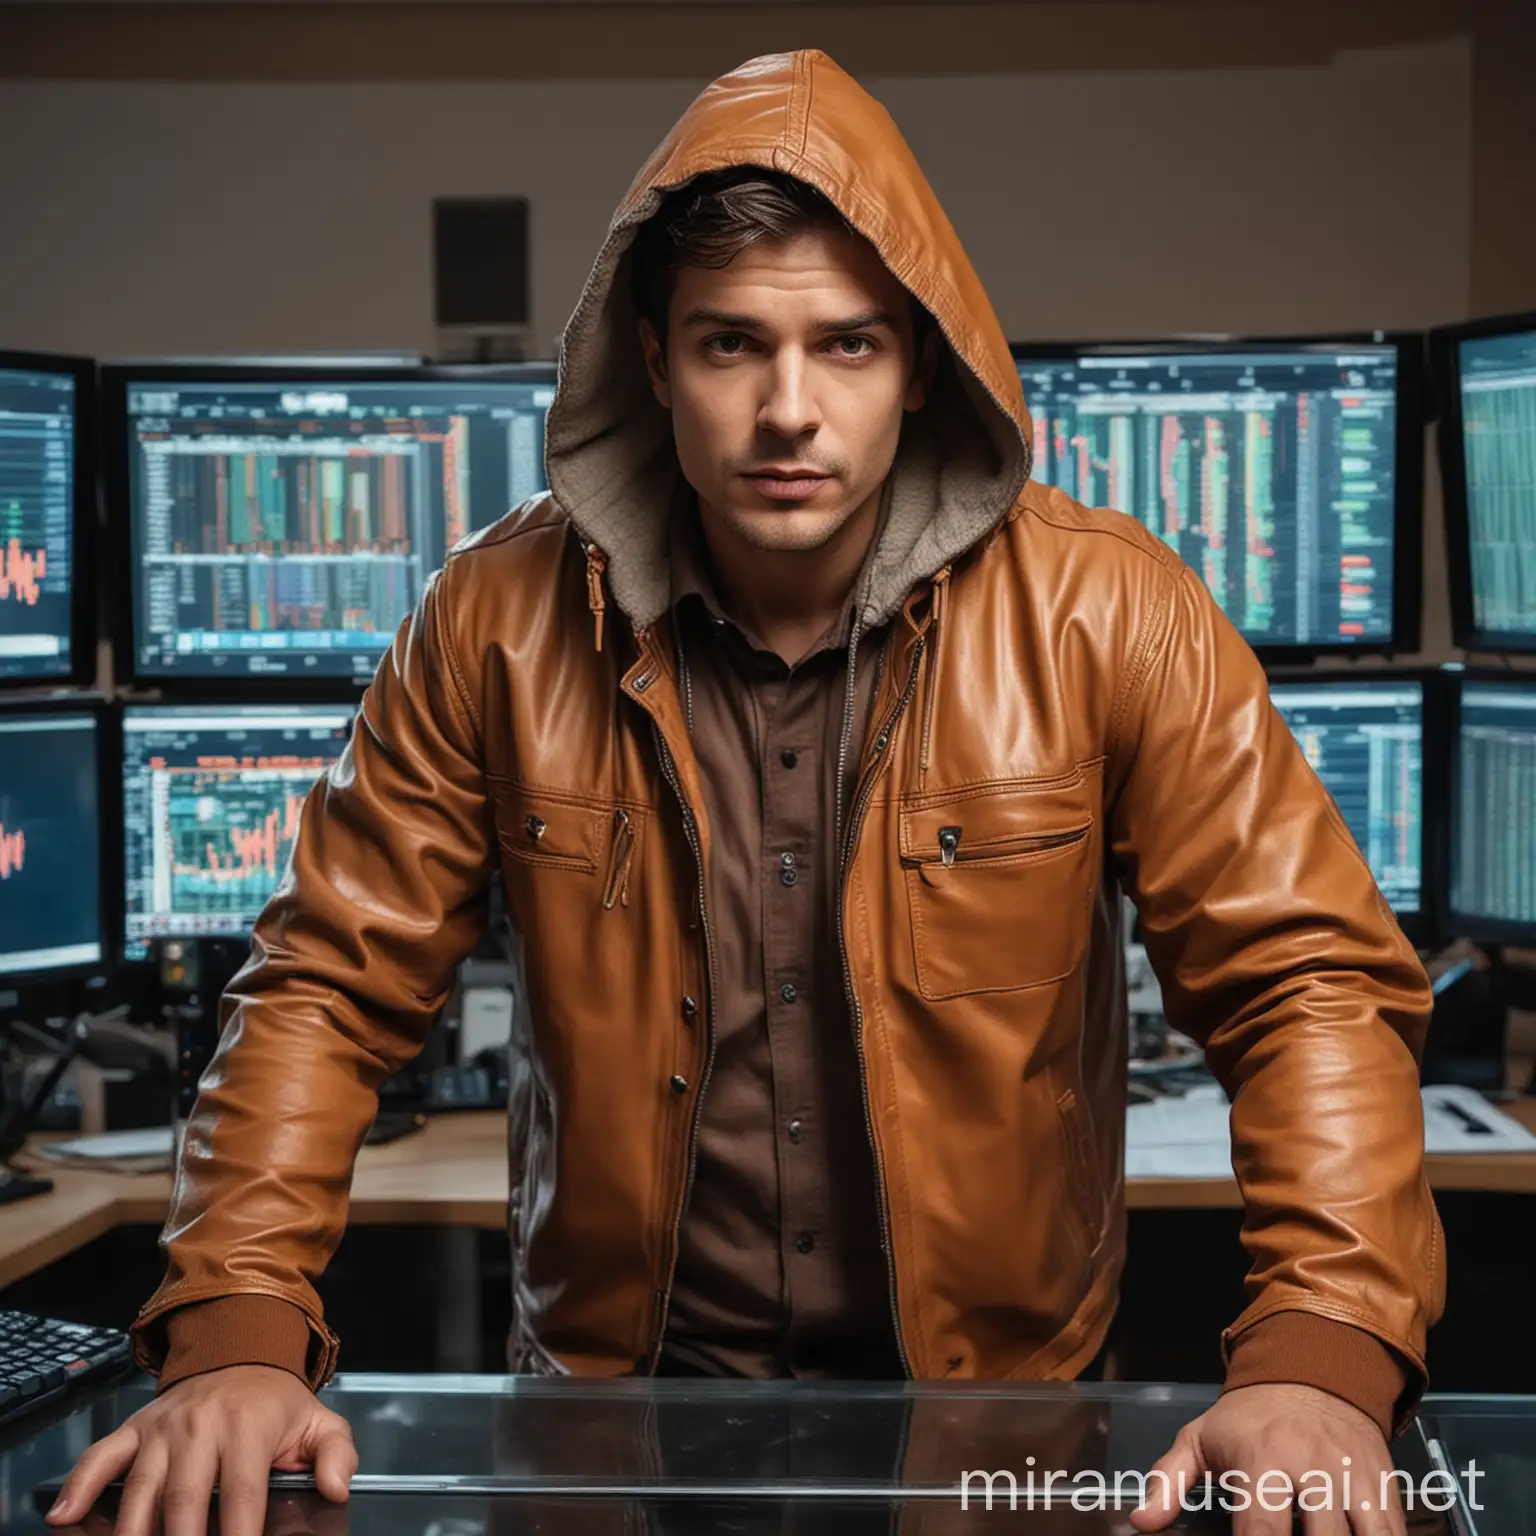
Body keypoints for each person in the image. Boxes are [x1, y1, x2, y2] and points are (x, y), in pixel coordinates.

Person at [49, 48, 1443, 1536]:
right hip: (608, 1434)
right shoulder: (494, 620)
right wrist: (236, 1331)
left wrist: (1325, 1355)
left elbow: (1304, 988)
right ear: (654, 361)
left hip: (1001, 1440)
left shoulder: (1114, 612)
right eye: (733, 347)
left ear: (919, 362)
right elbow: (324, 984)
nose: (791, 409)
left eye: (845, 345)